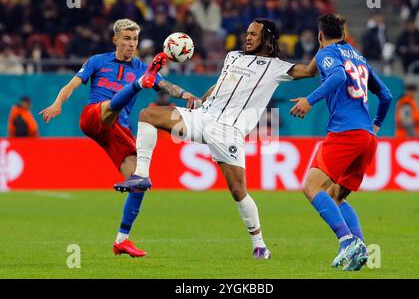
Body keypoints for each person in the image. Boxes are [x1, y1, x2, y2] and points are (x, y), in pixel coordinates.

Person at [114, 18, 317, 259]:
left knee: (238, 190)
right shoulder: (233, 56)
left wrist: (327, 44)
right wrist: (203, 97)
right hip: (203, 117)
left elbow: (310, 71)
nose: (248, 37)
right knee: (149, 114)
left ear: (268, 38)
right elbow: (222, 84)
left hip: (228, 130)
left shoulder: (276, 67)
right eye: (247, 33)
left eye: (254, 34)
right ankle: (142, 176)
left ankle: (260, 245)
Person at [39, 19, 199, 258]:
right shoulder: (97, 61)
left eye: (134, 39)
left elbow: (166, 85)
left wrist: (186, 94)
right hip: (94, 117)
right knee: (111, 106)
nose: (131, 44)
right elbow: (70, 85)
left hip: (118, 131)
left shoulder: (141, 67)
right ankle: (137, 86)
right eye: (126, 38)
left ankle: (121, 240)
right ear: (115, 39)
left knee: (140, 182)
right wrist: (57, 103)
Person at [290, 14, 393, 271]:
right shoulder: (358, 56)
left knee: (311, 187)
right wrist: (377, 125)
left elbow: (336, 77)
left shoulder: (328, 54)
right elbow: (387, 95)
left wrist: (309, 101)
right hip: (367, 137)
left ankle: (347, 241)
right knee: (336, 196)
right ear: (345, 34)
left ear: (319, 36)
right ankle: (359, 249)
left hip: (345, 133)